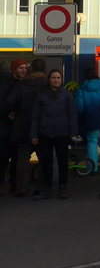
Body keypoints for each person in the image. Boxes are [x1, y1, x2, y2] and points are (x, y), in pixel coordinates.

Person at [31, 68, 77, 199]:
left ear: (62, 80)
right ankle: (47, 189)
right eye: (53, 78)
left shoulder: (67, 95)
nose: (56, 80)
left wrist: (73, 132)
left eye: (58, 78)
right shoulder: (41, 96)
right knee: (46, 162)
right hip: (44, 133)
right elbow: (35, 116)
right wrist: (33, 134)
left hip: (63, 133)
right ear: (48, 80)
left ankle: (63, 188)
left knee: (63, 162)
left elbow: (72, 115)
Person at [11, 58, 49, 197]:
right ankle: (42, 186)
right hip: (43, 126)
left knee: (23, 158)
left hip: (23, 125)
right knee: (44, 157)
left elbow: (11, 101)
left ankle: (23, 188)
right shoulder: (47, 84)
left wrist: (13, 112)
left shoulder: (22, 84)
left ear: (31, 68)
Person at [75, 67, 100, 173]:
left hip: (90, 117)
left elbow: (80, 107)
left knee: (92, 142)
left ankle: (92, 168)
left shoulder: (82, 88)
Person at [0, 59, 28, 195]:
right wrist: (7, 115)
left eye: (25, 67)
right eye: (20, 68)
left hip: (18, 128)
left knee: (17, 158)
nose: (23, 70)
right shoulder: (6, 85)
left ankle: (14, 185)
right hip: (6, 129)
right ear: (13, 69)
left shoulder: (25, 84)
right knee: (4, 158)